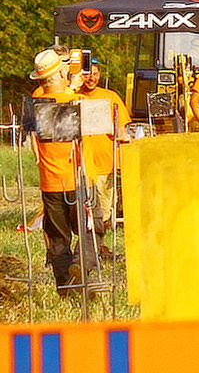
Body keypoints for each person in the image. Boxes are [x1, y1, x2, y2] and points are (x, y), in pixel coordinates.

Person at [28, 48, 95, 293]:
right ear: (59, 74)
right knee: (92, 227)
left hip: (49, 182)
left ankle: (65, 286)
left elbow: (33, 140)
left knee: (58, 238)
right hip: (76, 179)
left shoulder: (34, 103)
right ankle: (80, 263)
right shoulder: (75, 102)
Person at [77, 57, 130, 243]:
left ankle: (97, 246)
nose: (91, 77)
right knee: (85, 210)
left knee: (105, 210)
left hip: (106, 164)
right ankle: (89, 247)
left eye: (95, 73)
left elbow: (122, 130)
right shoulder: (74, 96)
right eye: (87, 73)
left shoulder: (111, 97)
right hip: (80, 164)